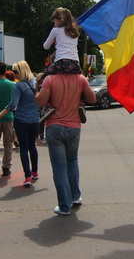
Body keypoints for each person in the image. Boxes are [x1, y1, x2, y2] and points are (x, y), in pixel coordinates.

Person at [35, 72, 96, 215]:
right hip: (74, 127)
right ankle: (75, 197)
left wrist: (38, 91)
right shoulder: (81, 78)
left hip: (55, 127)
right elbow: (92, 99)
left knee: (59, 167)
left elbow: (40, 102)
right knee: (72, 161)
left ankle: (64, 206)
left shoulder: (50, 79)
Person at [0, 60, 39, 186]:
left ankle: (27, 176)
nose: (14, 74)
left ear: (21, 71)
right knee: (32, 146)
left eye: (16, 71)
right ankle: (35, 172)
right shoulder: (35, 83)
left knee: (24, 148)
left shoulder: (20, 85)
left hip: (22, 119)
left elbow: (13, 104)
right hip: (34, 120)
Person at [41, 7, 82, 82]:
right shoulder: (75, 32)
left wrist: (53, 40)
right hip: (75, 63)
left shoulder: (55, 30)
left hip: (62, 62)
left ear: (60, 20)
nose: (54, 22)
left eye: (54, 20)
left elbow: (46, 46)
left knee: (42, 80)